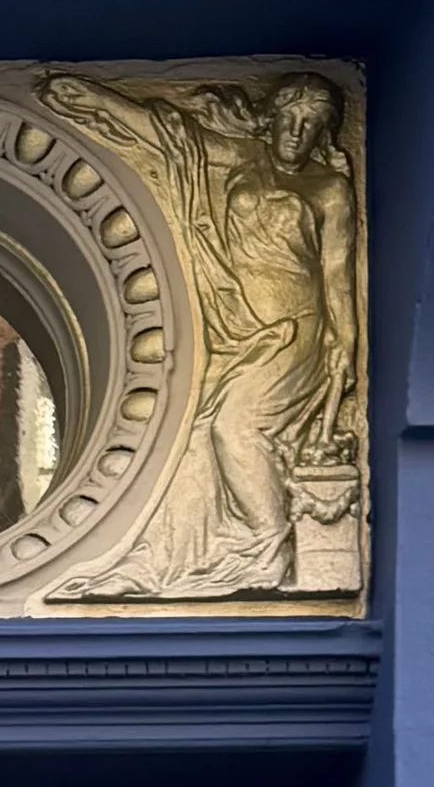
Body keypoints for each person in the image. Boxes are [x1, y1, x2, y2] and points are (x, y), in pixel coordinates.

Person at [41, 67, 359, 601]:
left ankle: (268, 550)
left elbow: (337, 275)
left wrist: (346, 344)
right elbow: (172, 135)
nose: (297, 132)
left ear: (324, 133)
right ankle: (176, 562)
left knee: (234, 430)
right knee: (190, 437)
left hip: (295, 331)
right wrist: (98, 99)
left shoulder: (330, 189)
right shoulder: (242, 160)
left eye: (312, 123)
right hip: (232, 326)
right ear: (272, 117)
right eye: (290, 117)